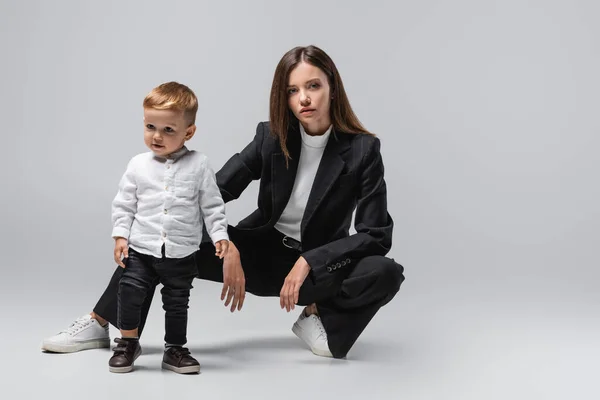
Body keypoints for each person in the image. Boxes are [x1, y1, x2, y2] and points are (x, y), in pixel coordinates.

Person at [42, 45, 405, 360]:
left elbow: (376, 233)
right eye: (293, 90)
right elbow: (213, 191)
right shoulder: (271, 137)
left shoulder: (362, 150)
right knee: (161, 236)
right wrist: (226, 245)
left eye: (313, 86)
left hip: (311, 270)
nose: (304, 99)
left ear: (332, 88)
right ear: (285, 97)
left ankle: (319, 317)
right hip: (256, 255)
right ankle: (100, 322)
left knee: (385, 271)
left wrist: (310, 260)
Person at [107, 82, 231, 374]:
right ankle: (128, 342)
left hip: (181, 251)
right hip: (142, 248)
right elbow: (124, 204)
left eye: (168, 130)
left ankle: (175, 348)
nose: (157, 136)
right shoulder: (138, 165)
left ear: (189, 132)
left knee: (177, 301)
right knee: (130, 291)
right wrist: (120, 236)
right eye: (151, 126)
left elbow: (212, 206)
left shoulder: (199, 165)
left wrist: (220, 235)